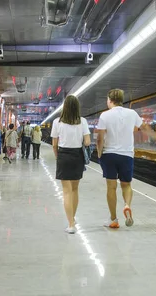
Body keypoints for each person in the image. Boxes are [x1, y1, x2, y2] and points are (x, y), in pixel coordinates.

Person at [96, 89, 156, 228]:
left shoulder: (104, 116)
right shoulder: (132, 113)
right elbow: (143, 127)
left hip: (109, 155)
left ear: (110, 100)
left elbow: (100, 138)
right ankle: (126, 205)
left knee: (111, 187)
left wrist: (99, 153)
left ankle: (113, 219)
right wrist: (155, 136)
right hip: (127, 155)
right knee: (127, 185)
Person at [51, 95, 91, 234]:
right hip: (77, 156)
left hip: (63, 155)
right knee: (74, 190)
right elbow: (87, 142)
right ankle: (72, 219)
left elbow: (54, 144)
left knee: (66, 192)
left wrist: (58, 158)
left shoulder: (57, 122)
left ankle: (71, 224)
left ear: (65, 107)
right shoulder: (83, 121)